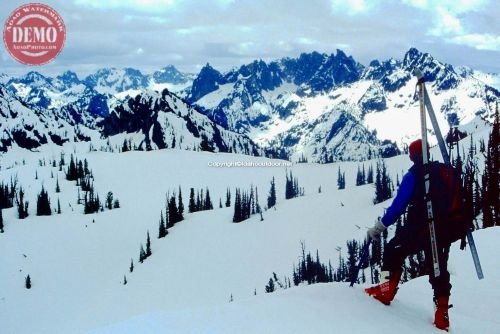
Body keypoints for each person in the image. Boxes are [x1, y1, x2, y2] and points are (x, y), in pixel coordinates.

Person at [365, 139, 452, 331]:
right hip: (445, 228)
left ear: (413, 156)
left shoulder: (414, 175)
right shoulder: (442, 171)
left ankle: (386, 289)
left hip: (421, 227)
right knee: (438, 267)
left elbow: (397, 208)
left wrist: (379, 227)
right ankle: (442, 313)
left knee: (392, 250)